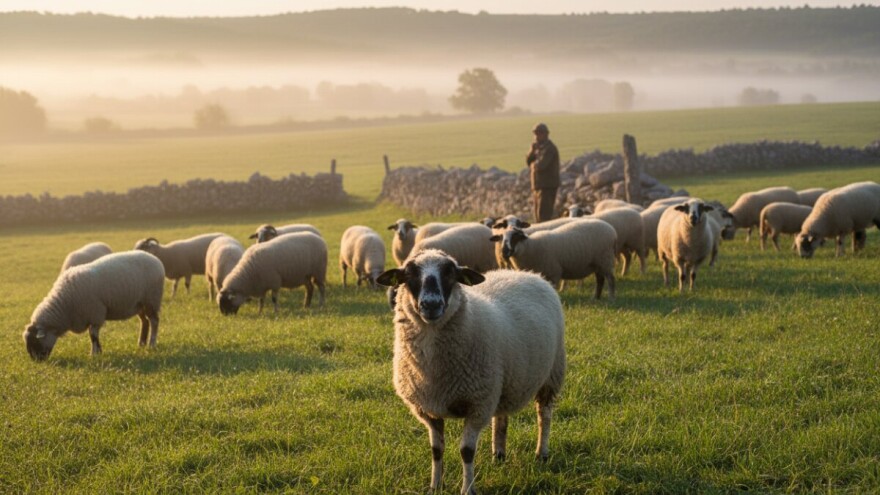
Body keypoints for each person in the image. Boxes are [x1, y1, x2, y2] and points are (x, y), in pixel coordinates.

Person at [526, 122, 560, 222]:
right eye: (535, 134)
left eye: (539, 134)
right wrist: (532, 151)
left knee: (544, 216)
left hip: (547, 187)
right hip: (538, 186)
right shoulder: (537, 148)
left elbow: (541, 166)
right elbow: (529, 161)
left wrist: (534, 164)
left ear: (545, 134)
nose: (536, 136)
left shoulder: (550, 149)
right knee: (537, 216)